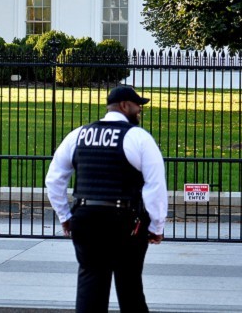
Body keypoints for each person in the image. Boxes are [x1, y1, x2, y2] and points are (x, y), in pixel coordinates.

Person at [45, 86, 168, 313]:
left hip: (85, 218)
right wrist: (156, 226)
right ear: (124, 105)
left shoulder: (79, 134)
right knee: (129, 286)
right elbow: (155, 186)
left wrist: (65, 216)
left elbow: (53, 179)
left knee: (90, 286)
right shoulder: (138, 137)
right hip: (125, 221)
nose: (139, 110)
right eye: (137, 105)